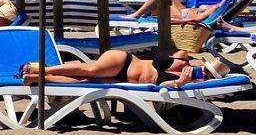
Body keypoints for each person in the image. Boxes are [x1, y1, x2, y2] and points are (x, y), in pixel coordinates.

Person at [20, 48, 229, 87]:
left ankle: (36, 78)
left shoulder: (187, 83)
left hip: (121, 80)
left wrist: (182, 81)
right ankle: (40, 70)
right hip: (123, 61)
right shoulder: (181, 60)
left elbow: (163, 87)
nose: (203, 73)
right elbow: (174, 51)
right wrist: (185, 68)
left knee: (83, 81)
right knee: (89, 70)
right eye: (205, 69)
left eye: (207, 75)